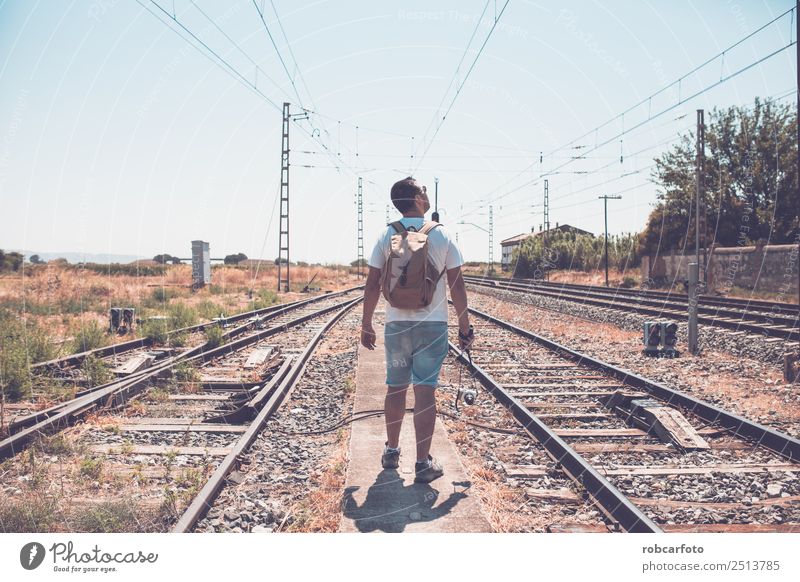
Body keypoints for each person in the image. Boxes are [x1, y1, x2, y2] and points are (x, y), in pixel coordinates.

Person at [360, 176, 474, 484]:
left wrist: (366, 323)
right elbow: (457, 285)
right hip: (432, 326)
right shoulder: (442, 235)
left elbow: (372, 284)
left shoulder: (387, 234)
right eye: (424, 191)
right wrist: (465, 327)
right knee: (425, 389)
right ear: (418, 200)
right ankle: (423, 463)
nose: (427, 194)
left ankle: (392, 451)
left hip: (397, 325)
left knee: (395, 387)